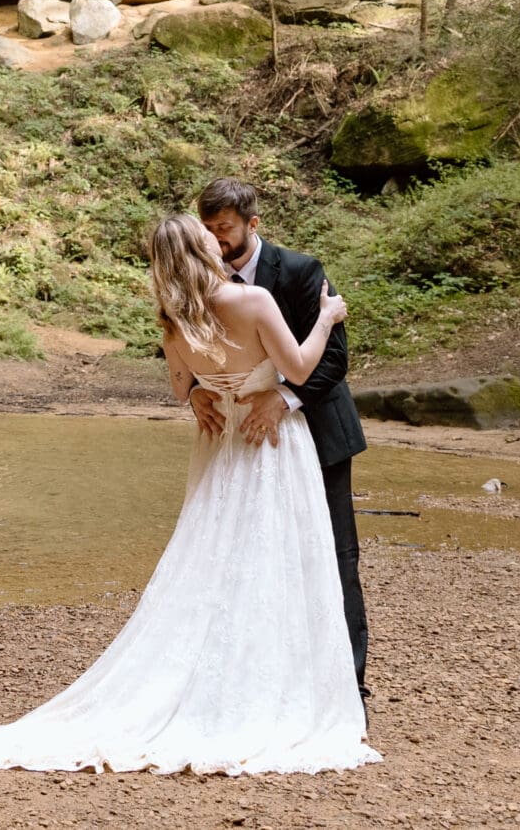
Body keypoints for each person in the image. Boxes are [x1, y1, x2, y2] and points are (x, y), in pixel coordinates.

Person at [0, 213, 379, 776]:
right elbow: (298, 365)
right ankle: (273, 690)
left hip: (222, 448)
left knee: (215, 564)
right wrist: (326, 317)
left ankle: (227, 684)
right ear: (201, 249)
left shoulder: (174, 321)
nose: (212, 237)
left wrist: (205, 392)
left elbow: (181, 387)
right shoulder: (252, 302)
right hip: (271, 448)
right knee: (281, 562)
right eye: (205, 235)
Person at [188, 177, 370, 697]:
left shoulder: (298, 271)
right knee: (248, 554)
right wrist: (196, 393)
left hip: (316, 427)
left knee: (333, 554)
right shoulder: (199, 277)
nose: (216, 240)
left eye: (224, 229)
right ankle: (258, 679)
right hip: (242, 440)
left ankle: (347, 684)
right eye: (208, 229)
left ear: (253, 223)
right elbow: (187, 349)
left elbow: (335, 356)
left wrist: (284, 397)